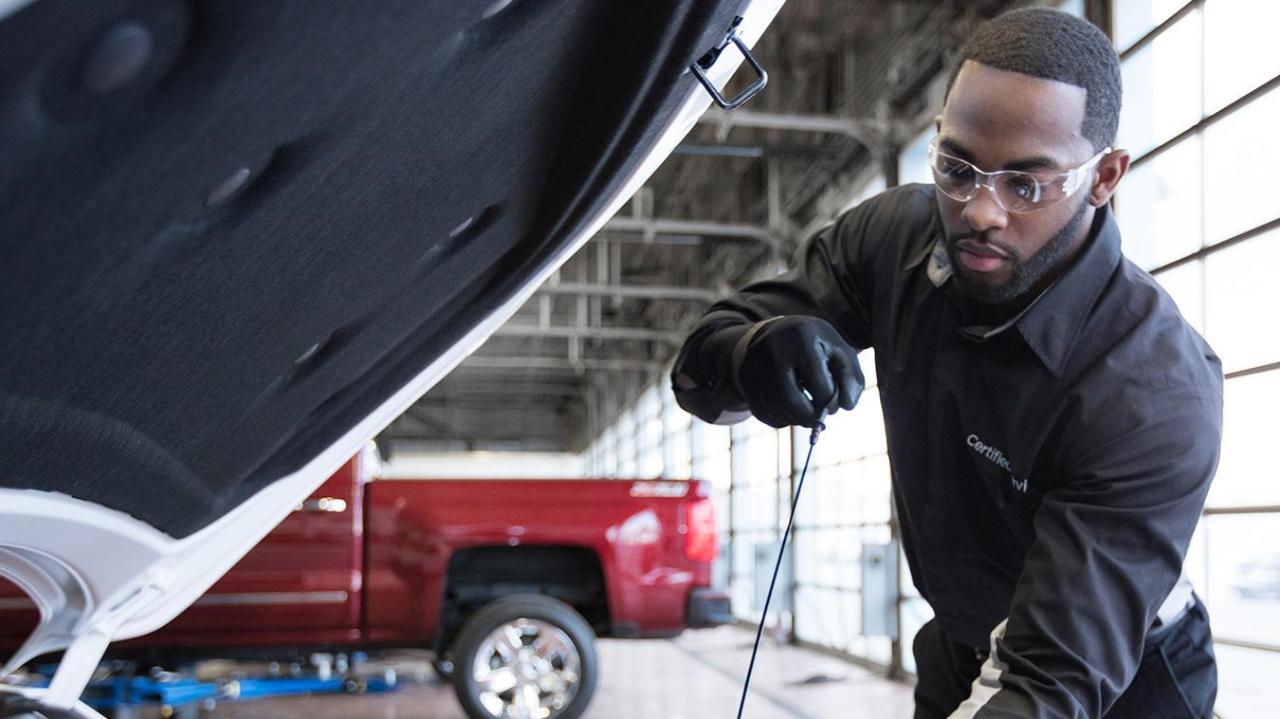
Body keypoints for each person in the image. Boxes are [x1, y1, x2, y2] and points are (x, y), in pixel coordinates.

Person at [671, 8, 1221, 718]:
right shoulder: (893, 239)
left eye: (1027, 184)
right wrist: (750, 353)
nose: (980, 211)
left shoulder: (1152, 390)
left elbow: (1045, 682)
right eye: (957, 168)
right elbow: (696, 373)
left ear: (1105, 177)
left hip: (1118, 675)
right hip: (960, 640)